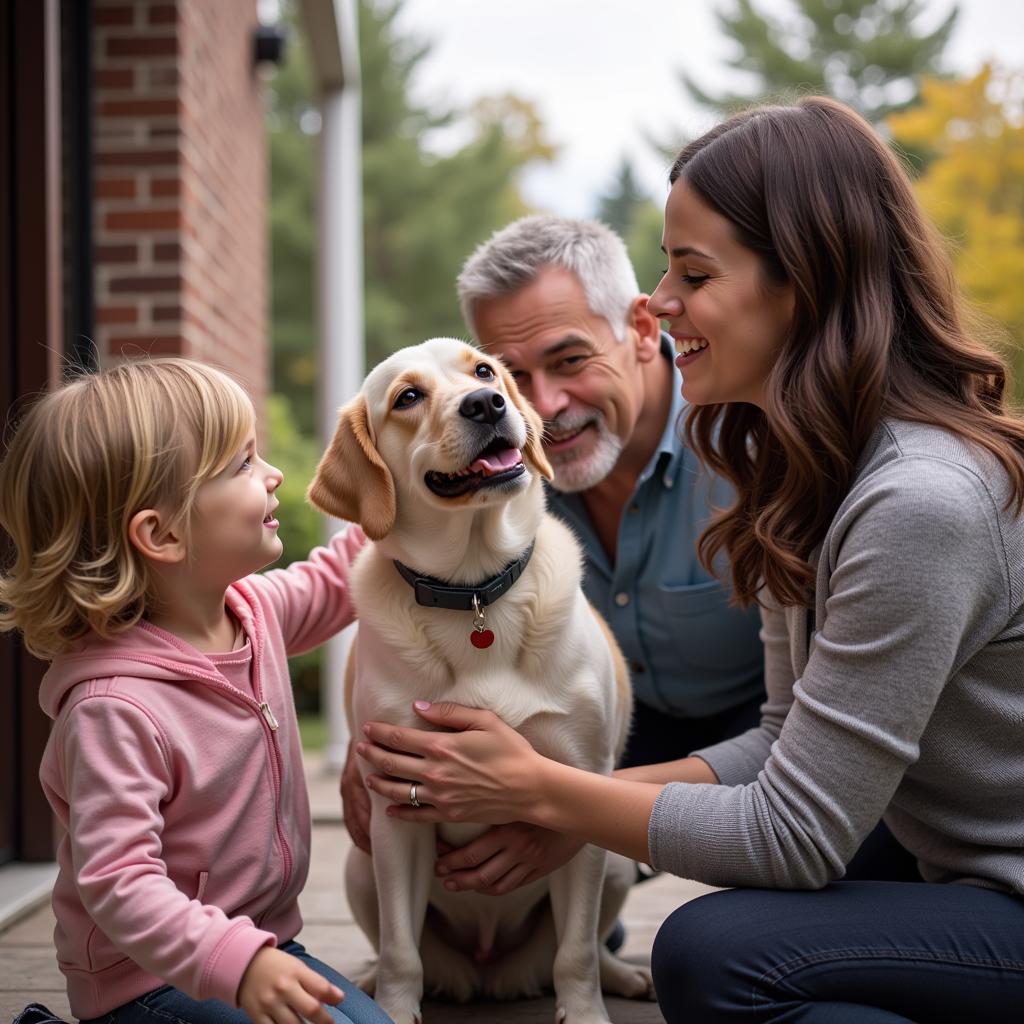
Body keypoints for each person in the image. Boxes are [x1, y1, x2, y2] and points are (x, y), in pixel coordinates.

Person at [353, 96, 1024, 1022]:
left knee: (716, 955)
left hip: (999, 892)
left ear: (805, 283)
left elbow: (797, 834)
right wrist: (565, 798)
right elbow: (786, 739)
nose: (662, 305)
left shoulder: (918, 500)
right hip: (935, 853)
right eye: (666, 271)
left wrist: (548, 794)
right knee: (742, 935)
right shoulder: (804, 467)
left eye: (693, 274)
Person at [339, 215, 767, 896]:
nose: (544, 406)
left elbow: (813, 741)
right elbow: (384, 567)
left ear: (643, 329)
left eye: (570, 361)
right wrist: (372, 735)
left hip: (754, 741)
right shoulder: (488, 468)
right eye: (510, 374)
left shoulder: (755, 453)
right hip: (594, 729)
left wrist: (572, 811)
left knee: (725, 951)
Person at [0, 360, 392, 1024]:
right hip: (147, 981)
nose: (271, 474)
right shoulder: (113, 708)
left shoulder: (252, 610)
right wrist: (239, 964)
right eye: (242, 464)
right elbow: (119, 886)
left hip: (260, 946)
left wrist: (407, 490)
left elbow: (336, 579)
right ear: (163, 534)